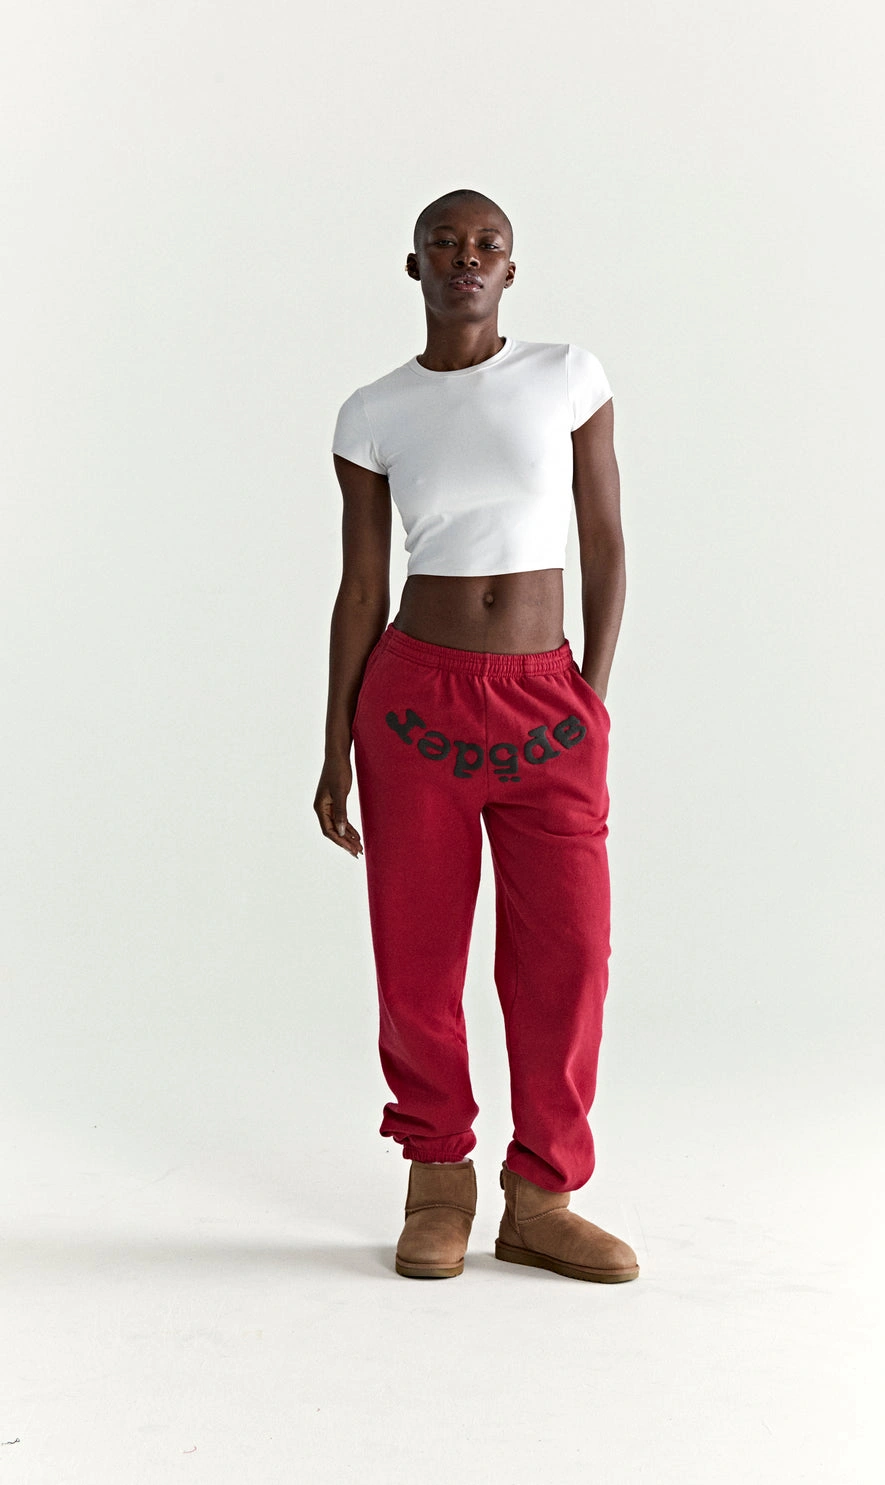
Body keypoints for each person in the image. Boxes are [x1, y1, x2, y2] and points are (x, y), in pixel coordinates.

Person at [315, 188, 637, 1284]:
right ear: (413, 267)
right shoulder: (374, 412)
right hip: (415, 702)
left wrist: (589, 695)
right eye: (443, 244)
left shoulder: (567, 376)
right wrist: (332, 745)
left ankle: (542, 1197)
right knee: (417, 954)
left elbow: (606, 540)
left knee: (569, 955)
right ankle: (437, 1179)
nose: (466, 257)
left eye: (486, 244)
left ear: (511, 267)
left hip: (548, 699)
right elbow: (362, 588)